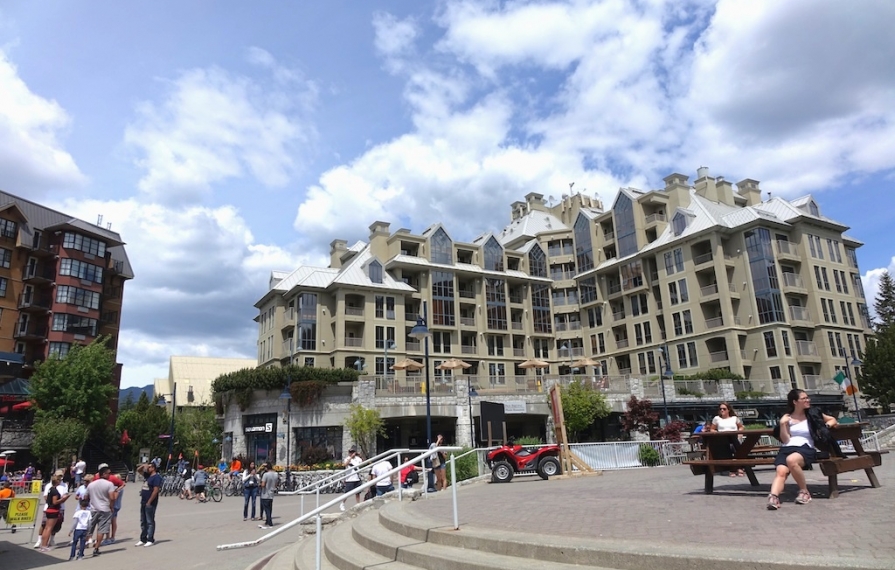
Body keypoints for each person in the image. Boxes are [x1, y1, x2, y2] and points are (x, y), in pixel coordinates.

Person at [767, 389, 838, 510]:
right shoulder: (787, 418)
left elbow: (832, 420)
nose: (807, 400)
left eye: (807, 398)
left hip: (805, 448)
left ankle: (804, 492)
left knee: (791, 461)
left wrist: (825, 427)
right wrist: (783, 424)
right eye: (804, 398)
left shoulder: (813, 413)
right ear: (795, 402)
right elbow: (785, 440)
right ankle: (773, 497)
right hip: (787, 448)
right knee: (781, 472)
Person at [86, 465, 118, 556]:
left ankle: (83, 547)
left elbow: (85, 497)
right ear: (103, 474)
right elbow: (112, 497)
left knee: (89, 528)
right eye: (108, 473)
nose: (110, 475)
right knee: (101, 529)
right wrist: (111, 507)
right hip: (105, 509)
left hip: (93, 509)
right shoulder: (109, 484)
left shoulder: (91, 484)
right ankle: (96, 548)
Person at [39, 470, 71, 552]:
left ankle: (43, 544)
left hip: (49, 509)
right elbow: (55, 502)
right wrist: (64, 499)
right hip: (53, 510)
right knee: (49, 528)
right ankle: (44, 545)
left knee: (46, 528)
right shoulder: (55, 491)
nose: (60, 481)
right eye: (59, 480)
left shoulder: (50, 489)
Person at [711, 402, 745, 477]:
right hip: (723, 439)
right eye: (720, 409)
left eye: (724, 409)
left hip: (734, 438)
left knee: (738, 451)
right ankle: (731, 469)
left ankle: (740, 467)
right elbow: (712, 429)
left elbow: (741, 427)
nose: (722, 410)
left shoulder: (734, 418)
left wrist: (740, 433)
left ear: (728, 410)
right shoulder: (717, 418)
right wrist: (716, 433)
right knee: (726, 451)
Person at [135, 459, 162, 546]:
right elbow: (138, 470)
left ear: (153, 468)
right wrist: (144, 465)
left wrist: (149, 501)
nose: (148, 469)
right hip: (143, 501)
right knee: (143, 521)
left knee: (149, 520)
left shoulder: (156, 477)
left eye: (149, 467)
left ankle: (150, 539)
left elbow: (155, 490)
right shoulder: (148, 476)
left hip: (150, 502)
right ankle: (143, 538)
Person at [340, 445, 364, 512]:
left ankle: (358, 505)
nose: (351, 453)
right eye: (350, 452)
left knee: (358, 493)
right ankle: (342, 504)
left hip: (357, 478)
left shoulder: (358, 459)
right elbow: (345, 465)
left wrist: (359, 455)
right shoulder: (347, 458)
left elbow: (362, 463)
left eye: (353, 452)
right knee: (347, 493)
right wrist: (350, 458)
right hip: (350, 479)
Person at [259, 462, 279, 528]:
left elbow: (263, 484)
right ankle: (267, 521)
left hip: (265, 493)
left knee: (266, 509)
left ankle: (270, 522)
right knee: (270, 508)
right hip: (271, 493)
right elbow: (276, 484)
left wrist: (260, 484)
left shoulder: (266, 475)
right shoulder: (276, 474)